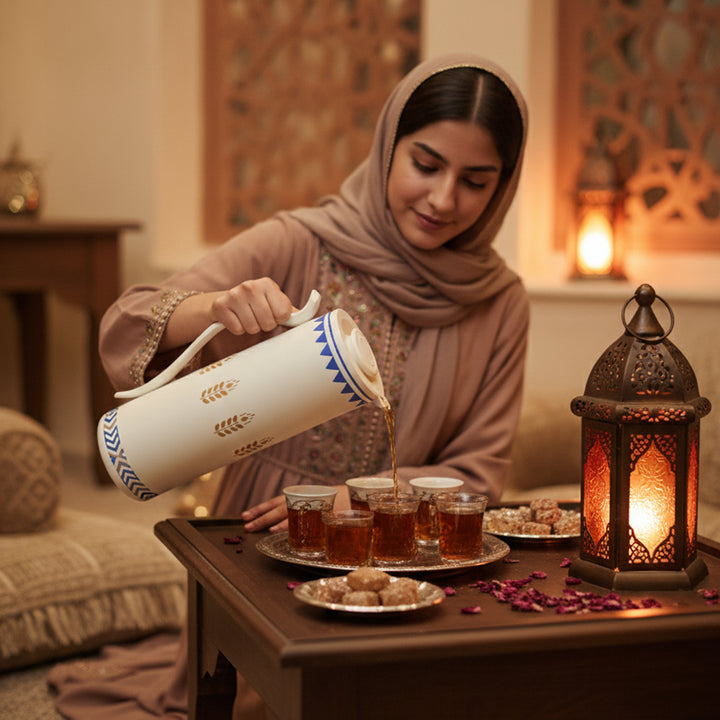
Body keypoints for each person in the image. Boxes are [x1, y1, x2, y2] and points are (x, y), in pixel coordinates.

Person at [48, 52, 529, 719]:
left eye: (476, 181)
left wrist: (353, 499)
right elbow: (126, 323)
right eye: (425, 165)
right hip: (264, 540)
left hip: (405, 560)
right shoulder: (301, 242)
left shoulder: (500, 302)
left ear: (503, 185)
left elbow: (477, 473)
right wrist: (213, 308)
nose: (445, 200)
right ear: (389, 147)